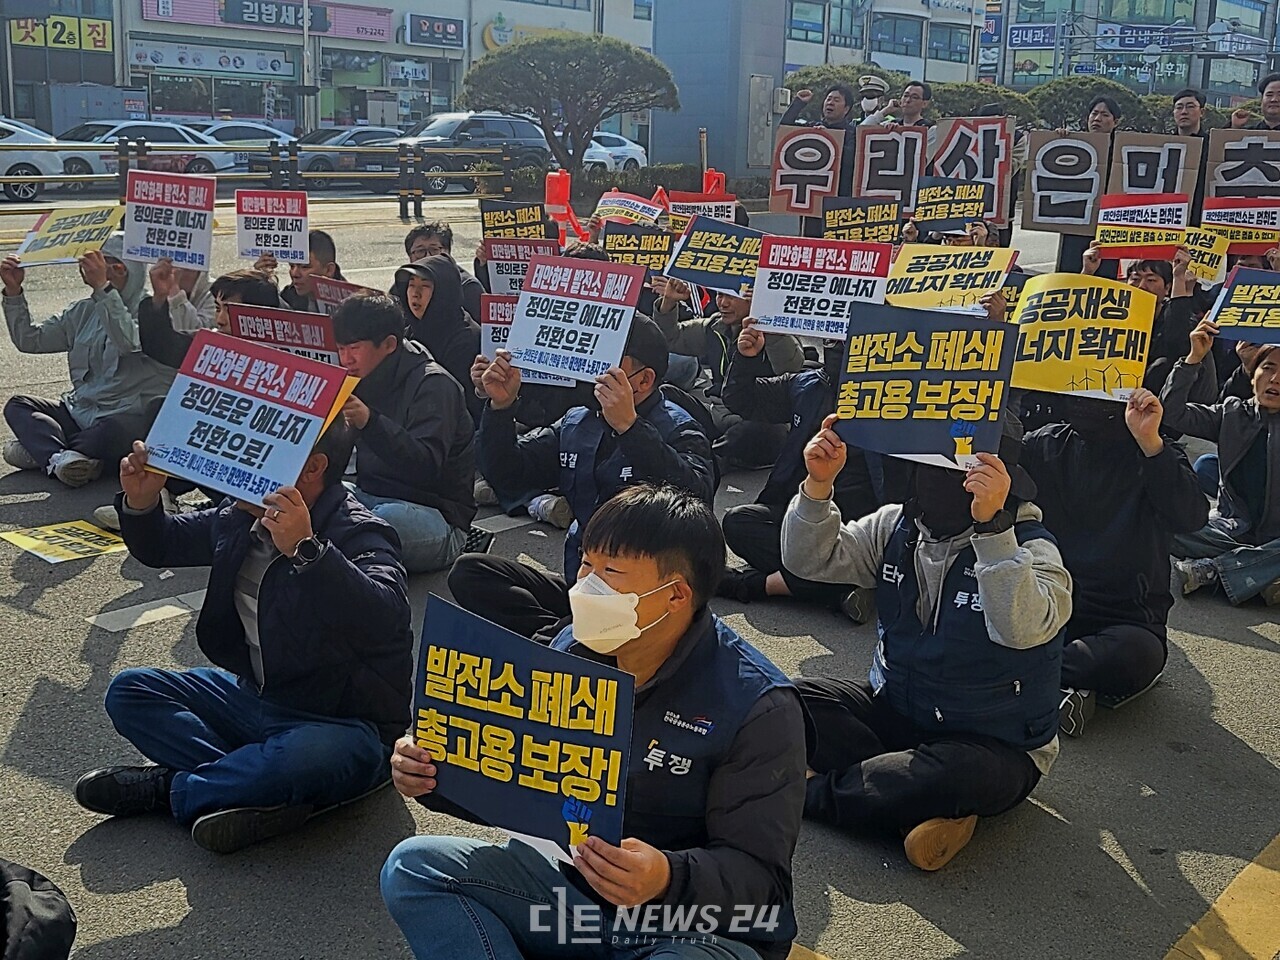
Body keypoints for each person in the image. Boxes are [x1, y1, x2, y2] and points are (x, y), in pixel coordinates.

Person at [383, 484, 808, 960]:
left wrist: (666, 875)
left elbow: (763, 886)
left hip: (683, 925)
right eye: (586, 563)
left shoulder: (757, 707)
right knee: (413, 867)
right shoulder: (572, 649)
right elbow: (517, 783)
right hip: (574, 900)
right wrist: (431, 772)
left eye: (611, 572)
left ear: (675, 595)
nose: (585, 585)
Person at [73, 421, 413, 853]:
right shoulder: (239, 515)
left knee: (308, 757)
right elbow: (163, 544)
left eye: (260, 454)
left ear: (312, 468)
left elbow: (387, 616)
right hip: (257, 696)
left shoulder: (360, 530)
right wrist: (141, 503)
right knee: (130, 690)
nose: (234, 466)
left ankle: (171, 789)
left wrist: (306, 549)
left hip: (342, 722)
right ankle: (248, 786)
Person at [781, 417, 1071, 871]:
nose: (940, 481)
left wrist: (993, 531)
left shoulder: (1033, 547)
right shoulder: (899, 524)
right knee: (786, 700)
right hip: (897, 708)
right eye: (929, 466)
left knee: (953, 774)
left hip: (992, 743)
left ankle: (807, 790)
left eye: (960, 471)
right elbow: (807, 562)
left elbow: (1023, 628)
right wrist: (819, 486)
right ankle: (900, 803)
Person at [449, 316, 715, 641]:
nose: (595, 377)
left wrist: (631, 430)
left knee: (556, 639)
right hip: (584, 581)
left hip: (641, 600)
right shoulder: (580, 420)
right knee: (471, 572)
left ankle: (568, 641)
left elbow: (696, 501)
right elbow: (508, 472)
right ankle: (571, 636)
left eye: (610, 368)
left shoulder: (678, 428)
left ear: (643, 381)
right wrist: (501, 407)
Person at [1022, 390, 1208, 736]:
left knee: (1137, 655)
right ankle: (1053, 682)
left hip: (1123, 619)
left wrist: (1150, 443)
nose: (1087, 401)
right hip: (1046, 609)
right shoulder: (1043, 444)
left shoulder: (1154, 449)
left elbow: (1191, 517)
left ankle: (1019, 678)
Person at [716, 323, 900, 621]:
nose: (840, 340)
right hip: (802, 510)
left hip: (862, 526)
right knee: (739, 523)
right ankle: (841, 589)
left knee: (881, 556)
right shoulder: (807, 385)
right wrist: (747, 357)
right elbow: (744, 400)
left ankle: (763, 585)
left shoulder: (898, 394)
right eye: (837, 333)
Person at [2, 236, 173, 487]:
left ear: (119, 269)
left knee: (115, 433)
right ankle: (62, 458)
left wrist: (104, 290)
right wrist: (14, 292)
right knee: (18, 405)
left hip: (120, 417)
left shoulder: (153, 310)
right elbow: (31, 341)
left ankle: (47, 452)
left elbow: (129, 344)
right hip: (81, 411)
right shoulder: (83, 310)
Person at [333, 293, 477, 573]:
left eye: (354, 348)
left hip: (434, 516)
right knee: (314, 495)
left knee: (382, 521)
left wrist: (370, 422)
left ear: (388, 344)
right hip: (369, 495)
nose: (346, 359)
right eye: (340, 349)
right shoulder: (361, 377)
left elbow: (424, 466)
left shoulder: (433, 384)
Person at [1165, 323, 1280, 606]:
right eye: (1268, 368)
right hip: (1230, 530)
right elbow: (1172, 413)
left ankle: (1213, 571)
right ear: (1253, 375)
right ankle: (1259, 572)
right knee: (1166, 522)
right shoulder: (1232, 413)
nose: (1275, 379)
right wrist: (1193, 359)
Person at [650, 277, 804, 468]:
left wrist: (767, 321)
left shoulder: (777, 329)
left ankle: (707, 459)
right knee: (665, 393)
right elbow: (670, 338)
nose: (723, 303)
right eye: (720, 295)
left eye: (732, 296)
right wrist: (669, 302)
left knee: (759, 431)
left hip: (757, 420)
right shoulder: (714, 327)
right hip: (718, 414)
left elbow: (792, 367)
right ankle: (705, 448)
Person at [391, 255, 482, 421]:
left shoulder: (466, 339)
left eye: (425, 286)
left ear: (444, 292)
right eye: (411, 285)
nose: (415, 294)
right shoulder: (408, 331)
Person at [1057, 96, 1122, 276]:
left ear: (1115, 122)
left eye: (1104, 115)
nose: (1097, 119)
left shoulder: (1121, 149)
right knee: (1069, 273)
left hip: (1109, 225)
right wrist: (1059, 140)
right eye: (1094, 113)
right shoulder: (1073, 143)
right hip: (1076, 222)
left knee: (1103, 275)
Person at [403, 222, 484, 322]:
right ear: (410, 257)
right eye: (420, 251)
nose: (428, 256)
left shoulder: (467, 287)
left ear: (448, 252)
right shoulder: (402, 284)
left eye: (434, 250)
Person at [255, 230, 344, 313]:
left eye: (305, 267)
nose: (294, 274)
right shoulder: (289, 295)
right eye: (292, 266)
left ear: (329, 270)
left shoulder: (349, 305)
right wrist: (259, 281)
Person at [862, 81, 938, 153]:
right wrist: (886, 111)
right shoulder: (891, 124)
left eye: (914, 97)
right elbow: (861, 132)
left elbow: (924, 157)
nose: (908, 100)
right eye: (905, 95)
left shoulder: (930, 129)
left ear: (925, 103)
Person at [148, 255, 214, 333]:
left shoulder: (214, 293)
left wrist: (175, 295)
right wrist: (158, 299)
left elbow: (198, 336)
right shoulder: (151, 294)